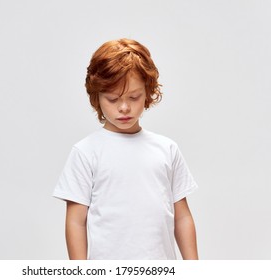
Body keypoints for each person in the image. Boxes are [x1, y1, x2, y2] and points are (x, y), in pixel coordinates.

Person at [53, 38, 198, 260]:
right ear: (97, 97)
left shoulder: (166, 149)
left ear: (148, 93)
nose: (124, 107)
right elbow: (75, 221)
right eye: (112, 99)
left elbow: (182, 217)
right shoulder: (86, 152)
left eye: (134, 97)